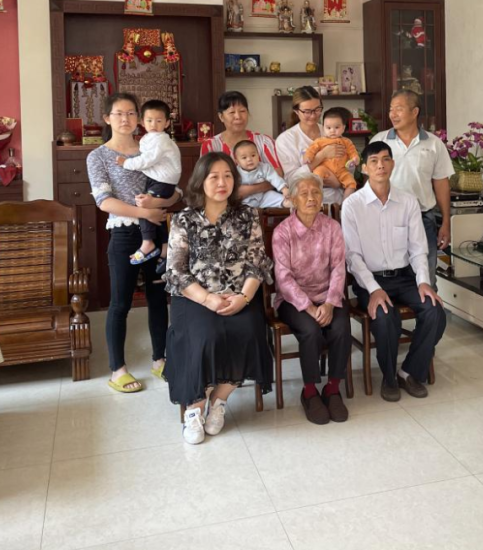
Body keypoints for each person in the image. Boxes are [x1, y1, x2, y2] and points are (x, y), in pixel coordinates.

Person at [163, 152, 274, 445]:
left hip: (238, 294)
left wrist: (244, 297)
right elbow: (176, 271)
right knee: (205, 336)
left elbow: (257, 263)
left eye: (227, 176)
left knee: (249, 332)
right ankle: (195, 407)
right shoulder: (184, 219)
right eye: (214, 177)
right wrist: (207, 299)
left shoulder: (247, 215)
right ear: (201, 181)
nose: (222, 182)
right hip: (194, 296)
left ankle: (219, 400)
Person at [87, 92, 179, 393]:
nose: (125, 119)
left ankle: (160, 360)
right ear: (107, 118)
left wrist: (164, 203)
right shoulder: (98, 156)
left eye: (130, 113)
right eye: (118, 113)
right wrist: (146, 213)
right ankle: (118, 370)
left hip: (157, 231)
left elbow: (175, 190)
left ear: (139, 118)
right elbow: (104, 201)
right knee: (120, 302)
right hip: (125, 234)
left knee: (158, 298)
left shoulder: (151, 145)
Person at [342, 141, 446, 402]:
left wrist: (424, 282)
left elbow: (418, 248)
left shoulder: (408, 201)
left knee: (435, 311)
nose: (381, 165)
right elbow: (352, 256)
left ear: (393, 164)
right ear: (364, 168)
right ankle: (389, 378)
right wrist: (374, 290)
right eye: (374, 161)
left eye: (386, 159)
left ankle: (408, 371)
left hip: (405, 277)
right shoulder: (352, 205)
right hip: (370, 280)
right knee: (386, 317)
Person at [272, 174, 351, 425]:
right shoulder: (283, 232)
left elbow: (339, 268)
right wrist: (308, 307)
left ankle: (333, 388)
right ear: (293, 199)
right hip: (293, 300)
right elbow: (283, 277)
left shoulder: (332, 227)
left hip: (328, 296)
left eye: (316, 192)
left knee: (341, 327)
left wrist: (329, 303)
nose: (311, 198)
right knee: (310, 331)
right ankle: (309, 392)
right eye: (304, 193)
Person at [370, 90, 454, 284]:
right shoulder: (379, 141)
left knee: (426, 279)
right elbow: (370, 182)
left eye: (398, 109)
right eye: (391, 109)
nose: (392, 114)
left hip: (423, 219)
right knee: (389, 279)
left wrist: (446, 223)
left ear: (414, 112)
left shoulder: (434, 144)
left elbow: (441, 184)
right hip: (386, 218)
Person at [115, 99, 181, 271]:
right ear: (142, 122)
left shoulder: (161, 140)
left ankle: (147, 243)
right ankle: (165, 248)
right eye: (149, 120)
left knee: (144, 205)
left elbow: (147, 160)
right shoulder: (150, 138)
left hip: (163, 180)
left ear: (167, 123)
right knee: (158, 213)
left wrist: (125, 163)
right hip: (160, 179)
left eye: (159, 121)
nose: (154, 124)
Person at [200, 91, 284, 204]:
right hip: (223, 202)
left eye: (242, 111)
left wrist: (248, 190)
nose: (238, 116)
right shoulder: (211, 145)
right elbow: (206, 180)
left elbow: (278, 174)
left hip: (263, 201)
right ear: (221, 116)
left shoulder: (264, 141)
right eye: (232, 112)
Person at [275, 86, 345, 206]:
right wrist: (322, 155)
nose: (313, 115)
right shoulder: (286, 139)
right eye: (307, 111)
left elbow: (348, 165)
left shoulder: (330, 131)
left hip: (336, 200)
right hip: (305, 202)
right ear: (296, 111)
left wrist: (338, 182)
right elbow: (291, 180)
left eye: (317, 109)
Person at [302, 107, 360, 200]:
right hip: (325, 168)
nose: (332, 130)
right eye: (328, 128)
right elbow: (311, 149)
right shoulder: (320, 141)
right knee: (317, 173)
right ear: (323, 128)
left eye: (336, 127)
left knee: (352, 183)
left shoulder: (347, 142)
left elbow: (352, 151)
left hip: (342, 170)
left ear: (343, 128)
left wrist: (355, 158)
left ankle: (346, 204)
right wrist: (308, 156)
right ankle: (316, 198)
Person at [233, 140, 290, 208]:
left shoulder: (265, 168)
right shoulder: (236, 172)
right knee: (240, 207)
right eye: (244, 157)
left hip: (263, 196)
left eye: (253, 155)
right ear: (237, 161)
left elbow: (275, 178)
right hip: (246, 199)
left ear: (258, 155)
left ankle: (285, 202)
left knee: (273, 195)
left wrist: (283, 189)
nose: (249, 159)